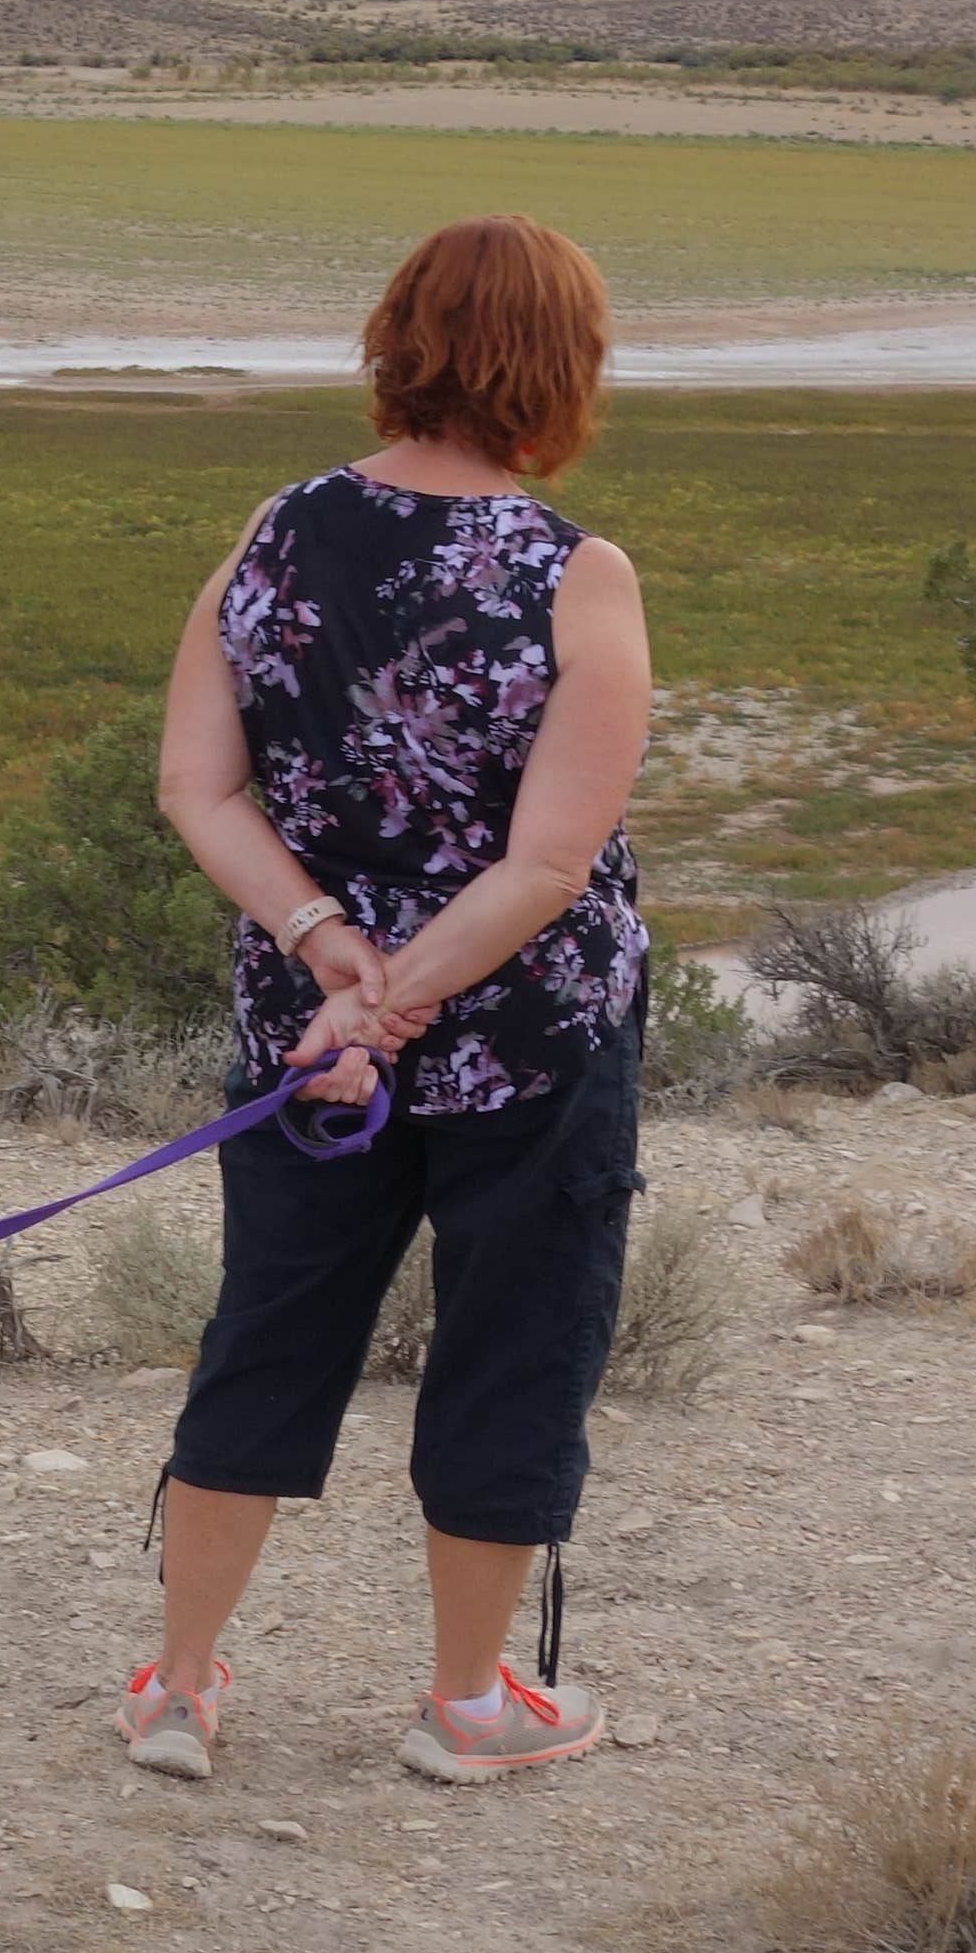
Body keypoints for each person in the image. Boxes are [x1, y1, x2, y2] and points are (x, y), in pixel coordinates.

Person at [129, 212, 652, 1786]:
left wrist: (324, 953)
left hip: (314, 1041)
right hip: (532, 1047)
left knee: (269, 1333)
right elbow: (553, 865)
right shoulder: (579, 575)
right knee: (513, 1345)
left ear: (398, 343)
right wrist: (401, 991)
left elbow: (194, 789)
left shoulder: (276, 533)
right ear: (564, 371)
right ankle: (471, 1705)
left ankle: (179, 1690)